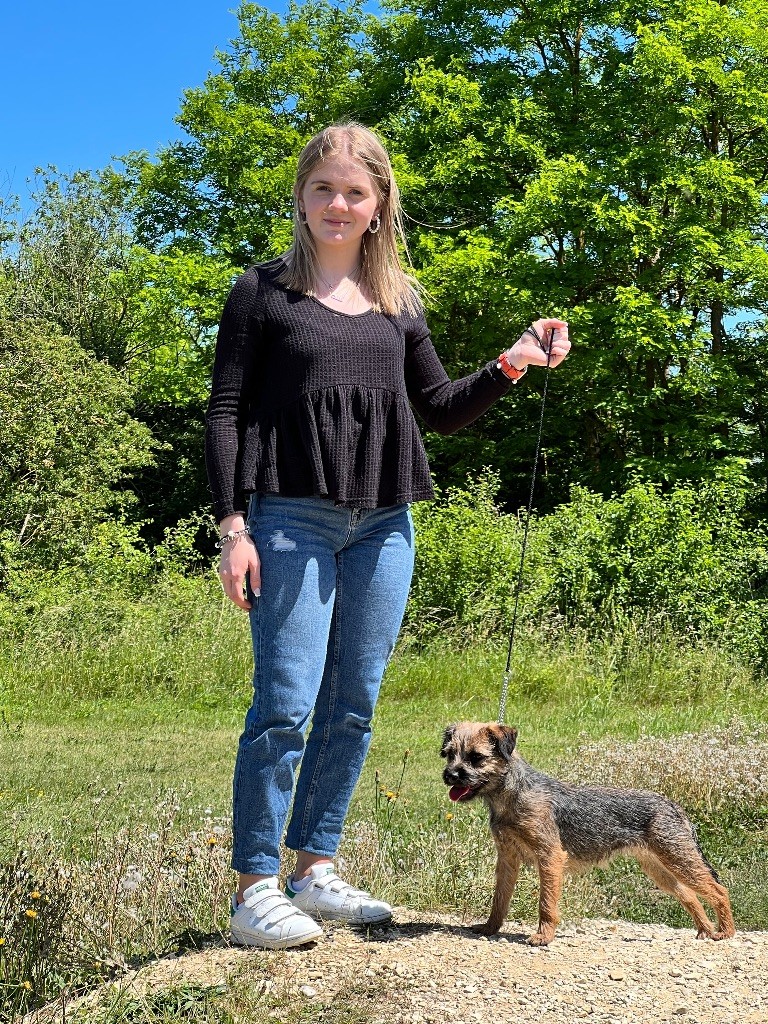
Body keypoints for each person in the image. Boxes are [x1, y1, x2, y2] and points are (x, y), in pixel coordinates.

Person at [205, 122, 570, 950]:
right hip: (288, 518)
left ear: (379, 206)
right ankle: (254, 888)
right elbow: (225, 413)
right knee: (285, 706)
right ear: (301, 197)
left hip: (386, 523)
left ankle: (314, 870)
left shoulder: (399, 301)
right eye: (324, 188)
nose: (339, 204)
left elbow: (439, 406)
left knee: (353, 706)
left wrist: (512, 361)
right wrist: (234, 527)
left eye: (355, 193)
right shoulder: (261, 293)